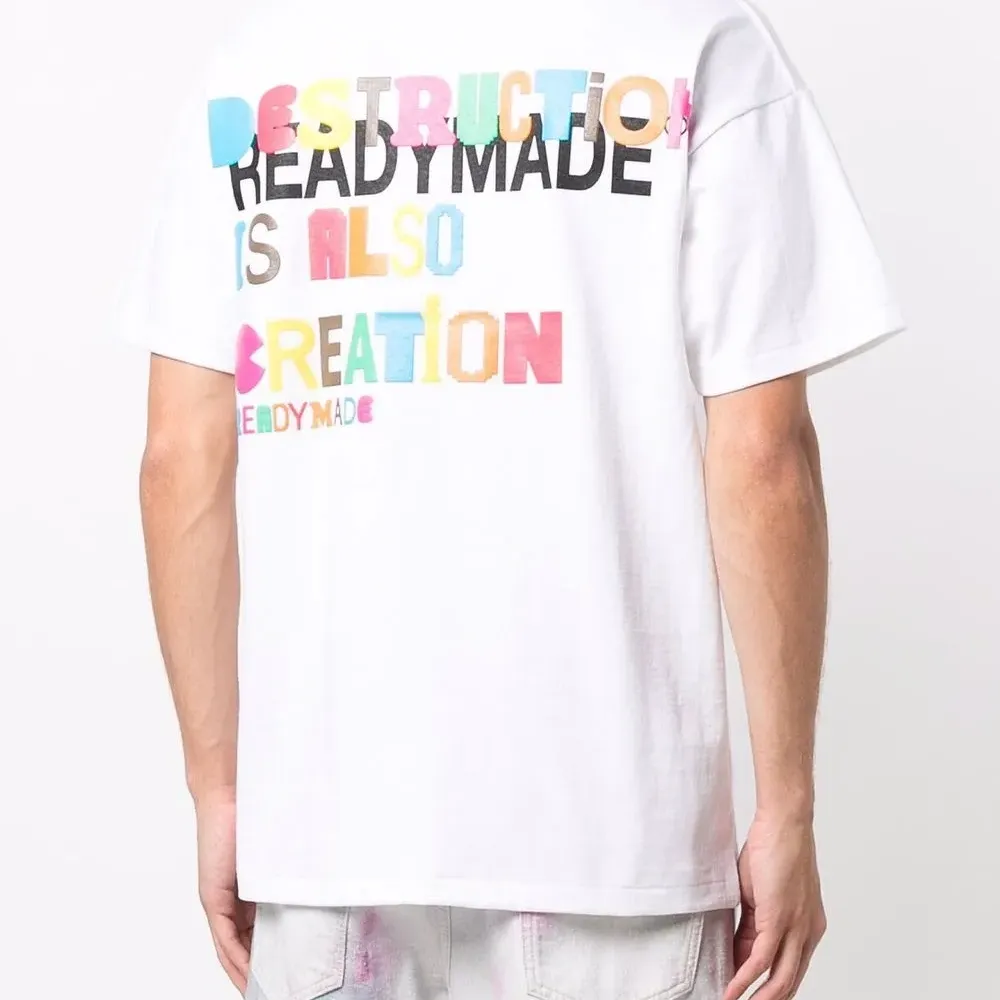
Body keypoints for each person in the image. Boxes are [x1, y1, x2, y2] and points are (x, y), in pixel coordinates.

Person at [121, 0, 903, 997]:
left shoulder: (258, 62)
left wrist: (218, 790)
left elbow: (178, 459)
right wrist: (786, 805)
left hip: (332, 840)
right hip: (615, 848)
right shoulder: (693, 36)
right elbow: (763, 458)